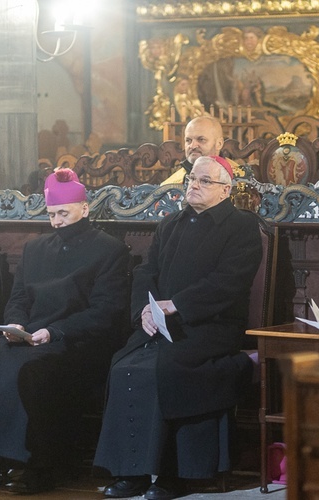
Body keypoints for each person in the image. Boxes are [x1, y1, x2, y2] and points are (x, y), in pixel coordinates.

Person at [0, 169, 130, 494]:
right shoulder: (35, 249)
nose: (57, 221)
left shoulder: (109, 251)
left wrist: (54, 332)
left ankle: (37, 465)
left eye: (63, 213)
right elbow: (19, 298)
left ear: (84, 209)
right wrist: (17, 324)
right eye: (51, 214)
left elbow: (105, 312)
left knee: (33, 370)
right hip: (29, 336)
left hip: (76, 342)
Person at [94, 155, 263, 500]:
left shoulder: (241, 226)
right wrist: (145, 307)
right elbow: (146, 272)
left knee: (169, 367)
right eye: (191, 180)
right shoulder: (171, 224)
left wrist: (179, 304)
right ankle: (132, 471)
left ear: (225, 190)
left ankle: (173, 473)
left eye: (204, 181)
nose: (194, 186)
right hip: (161, 323)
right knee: (124, 364)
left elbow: (229, 282)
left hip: (211, 326)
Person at [161, 115, 225, 185]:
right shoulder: (169, 186)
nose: (192, 146)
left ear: (219, 144)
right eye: (188, 140)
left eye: (201, 139)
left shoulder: (237, 181)